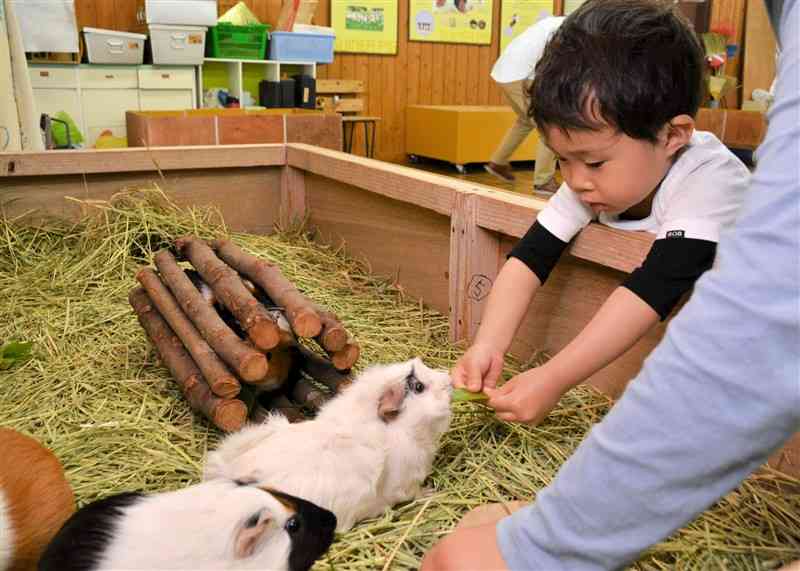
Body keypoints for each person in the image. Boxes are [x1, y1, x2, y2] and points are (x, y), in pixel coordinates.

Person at [421, 0, 799, 568]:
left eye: (592, 163)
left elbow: (652, 291)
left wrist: (551, 379)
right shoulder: (592, 177)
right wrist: (489, 343)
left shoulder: (710, 181)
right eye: (561, 160)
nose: (574, 182)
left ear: (674, 135)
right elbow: (530, 258)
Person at [485, 15, 564, 195]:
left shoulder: (554, 22)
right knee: (550, 126)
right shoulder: (564, 29)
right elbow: (555, 65)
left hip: (506, 71)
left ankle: (498, 162)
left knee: (525, 121)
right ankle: (543, 181)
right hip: (519, 76)